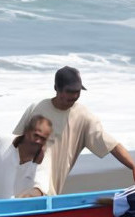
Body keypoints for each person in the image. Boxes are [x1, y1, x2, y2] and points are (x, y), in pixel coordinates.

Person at [13, 66, 135, 195]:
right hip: (20, 181)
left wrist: (133, 166)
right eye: (70, 91)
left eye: (78, 91)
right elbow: (13, 144)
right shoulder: (37, 108)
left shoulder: (83, 117)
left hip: (48, 190)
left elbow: (112, 145)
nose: (74, 96)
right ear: (56, 88)